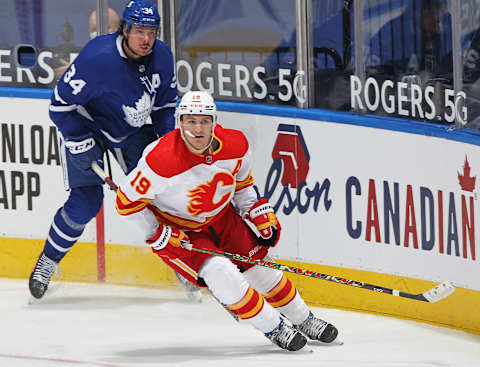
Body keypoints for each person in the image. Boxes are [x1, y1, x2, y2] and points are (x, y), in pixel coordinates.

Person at [114, 90, 339, 351]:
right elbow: (125, 203)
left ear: (214, 121)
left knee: (262, 270)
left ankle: (304, 319)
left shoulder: (236, 145)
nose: (197, 129)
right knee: (222, 274)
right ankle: (274, 327)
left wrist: (256, 210)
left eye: (204, 121)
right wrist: (158, 234)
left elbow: (243, 186)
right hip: (183, 231)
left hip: (224, 219)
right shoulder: (160, 160)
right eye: (190, 121)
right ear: (179, 122)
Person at [28, 0, 178, 299]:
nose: (146, 39)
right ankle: (48, 260)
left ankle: (183, 265)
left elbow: (163, 108)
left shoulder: (162, 56)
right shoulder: (98, 58)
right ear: (124, 30)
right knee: (86, 201)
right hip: (87, 127)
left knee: (161, 194)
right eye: (139, 31)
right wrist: (77, 140)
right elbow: (60, 107)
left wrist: (170, 148)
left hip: (131, 130)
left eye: (151, 31)